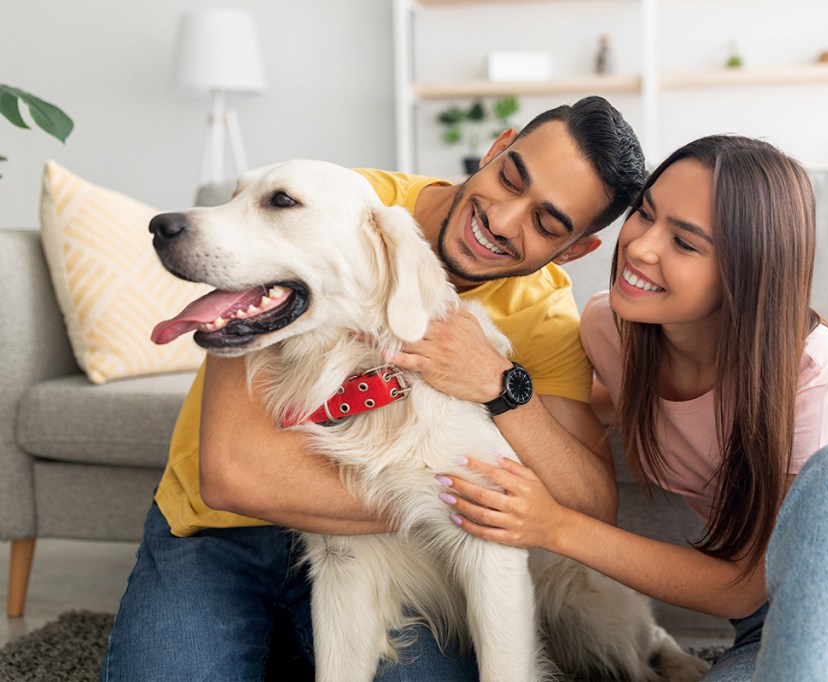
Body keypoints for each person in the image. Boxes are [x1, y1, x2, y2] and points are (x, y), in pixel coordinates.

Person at [101, 96, 647, 681]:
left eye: (546, 223)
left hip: (393, 550)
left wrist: (500, 384)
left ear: (573, 251)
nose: (503, 219)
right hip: (221, 530)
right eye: (511, 177)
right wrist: (464, 505)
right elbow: (234, 476)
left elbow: (588, 507)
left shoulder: (542, 312)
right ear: (496, 148)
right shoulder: (337, 201)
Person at [439, 135, 828, 681]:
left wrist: (556, 526)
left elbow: (745, 583)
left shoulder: (813, 369)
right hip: (771, 631)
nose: (639, 247)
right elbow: (570, 416)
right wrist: (489, 376)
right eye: (645, 213)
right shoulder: (611, 331)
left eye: (685, 242)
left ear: (745, 271)